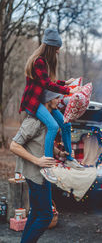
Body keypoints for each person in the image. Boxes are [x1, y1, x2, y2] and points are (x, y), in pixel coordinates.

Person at [19, 28, 83, 180]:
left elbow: (50, 82)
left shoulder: (45, 62)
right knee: (53, 126)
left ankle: (69, 159)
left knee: (66, 124)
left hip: (42, 100)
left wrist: (65, 83)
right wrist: (68, 90)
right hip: (33, 102)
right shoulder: (38, 61)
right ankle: (47, 167)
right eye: (57, 49)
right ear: (50, 47)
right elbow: (47, 84)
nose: (58, 52)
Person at [10, 91, 72, 243]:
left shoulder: (47, 121)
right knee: (45, 216)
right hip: (36, 173)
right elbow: (14, 145)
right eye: (57, 97)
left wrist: (59, 153)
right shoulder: (34, 121)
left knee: (36, 213)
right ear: (48, 99)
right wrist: (37, 161)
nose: (59, 100)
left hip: (42, 173)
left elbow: (40, 143)